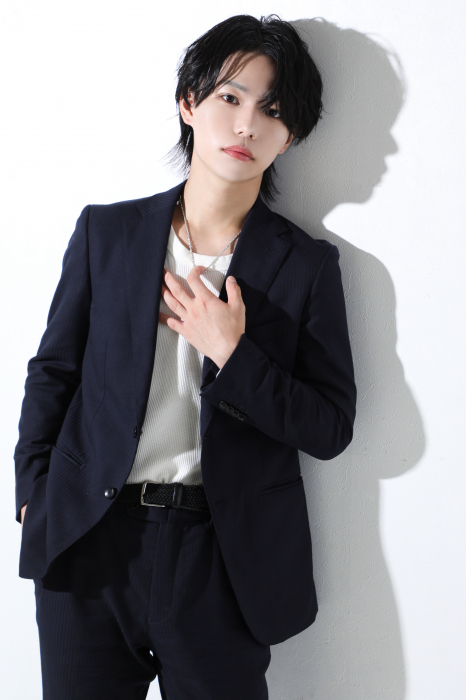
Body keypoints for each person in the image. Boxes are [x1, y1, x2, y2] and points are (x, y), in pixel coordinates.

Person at [14, 13, 357, 700]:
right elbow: (54, 370)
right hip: (90, 540)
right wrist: (32, 492)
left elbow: (329, 427)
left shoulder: (306, 265)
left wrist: (232, 351)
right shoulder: (108, 233)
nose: (247, 125)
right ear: (188, 103)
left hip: (223, 558)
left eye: (273, 110)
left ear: (290, 136)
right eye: (230, 97)